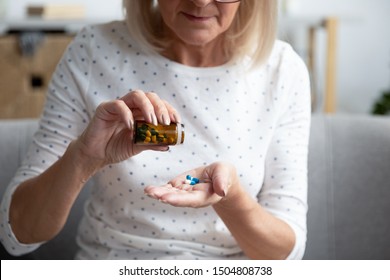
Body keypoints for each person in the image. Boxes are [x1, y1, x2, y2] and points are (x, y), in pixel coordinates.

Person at [0, 0, 311, 260]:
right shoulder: (93, 52)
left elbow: (288, 252)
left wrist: (230, 197)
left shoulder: (283, 70)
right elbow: (16, 235)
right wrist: (84, 157)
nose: (201, 2)